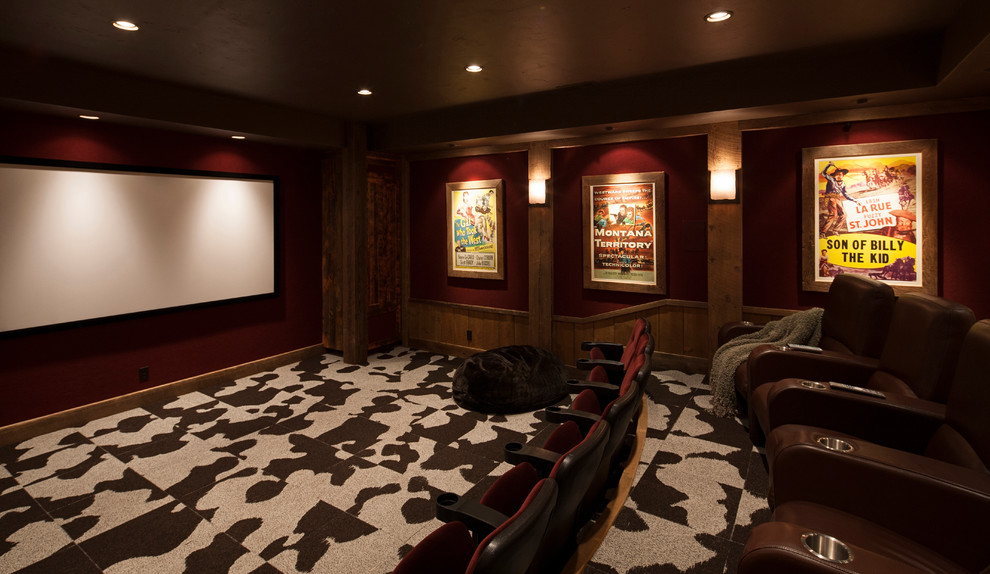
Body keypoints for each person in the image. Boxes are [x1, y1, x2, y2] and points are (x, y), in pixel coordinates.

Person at [821, 162, 859, 237]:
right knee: (833, 215)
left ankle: (835, 230)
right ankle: (823, 232)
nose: (839, 176)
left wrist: (855, 200)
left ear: (843, 175)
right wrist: (828, 165)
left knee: (844, 215)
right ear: (834, 175)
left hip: (837, 199)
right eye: (837, 174)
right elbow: (823, 173)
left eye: (841, 175)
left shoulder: (843, 184)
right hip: (830, 198)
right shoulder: (831, 180)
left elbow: (845, 194)